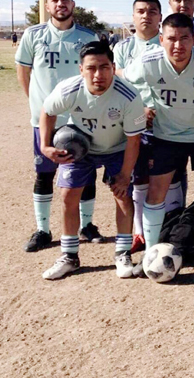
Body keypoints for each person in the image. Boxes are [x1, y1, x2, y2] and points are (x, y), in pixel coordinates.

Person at [123, 13, 194, 274]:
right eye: (171, 39)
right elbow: (124, 81)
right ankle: (151, 252)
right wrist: (144, 106)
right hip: (167, 137)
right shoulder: (148, 62)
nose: (178, 45)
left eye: (185, 38)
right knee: (155, 192)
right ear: (161, 40)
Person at [38, 41, 145, 279]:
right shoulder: (69, 89)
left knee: (122, 195)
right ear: (81, 69)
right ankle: (69, 256)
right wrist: (45, 146)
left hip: (118, 147)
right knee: (68, 195)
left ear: (113, 67)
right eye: (92, 68)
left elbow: (134, 140)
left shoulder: (128, 96)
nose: (99, 74)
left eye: (105, 67)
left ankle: (122, 253)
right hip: (81, 146)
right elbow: (48, 111)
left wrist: (125, 175)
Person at [15, 0, 103, 252]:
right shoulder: (34, 35)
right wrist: (37, 104)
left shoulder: (88, 37)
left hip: (80, 118)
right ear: (47, 6)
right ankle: (42, 230)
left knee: (85, 174)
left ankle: (86, 225)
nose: (60, 4)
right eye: (55, 0)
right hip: (46, 120)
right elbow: (23, 70)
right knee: (44, 173)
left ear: (73, 4)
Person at [114, 0, 187, 253]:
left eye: (152, 11)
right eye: (141, 11)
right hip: (136, 122)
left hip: (167, 122)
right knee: (140, 178)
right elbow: (119, 85)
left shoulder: (168, 44)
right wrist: (139, 110)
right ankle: (139, 232)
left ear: (160, 16)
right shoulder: (122, 49)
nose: (146, 16)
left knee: (172, 176)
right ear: (133, 16)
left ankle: (173, 228)